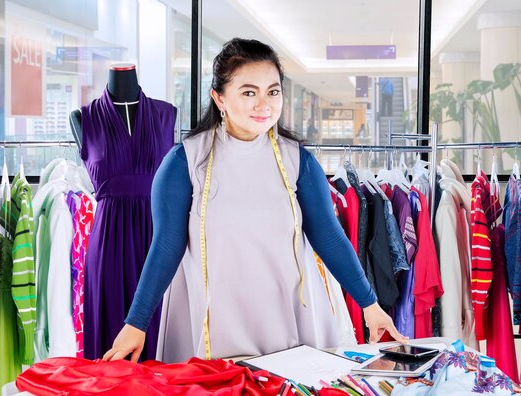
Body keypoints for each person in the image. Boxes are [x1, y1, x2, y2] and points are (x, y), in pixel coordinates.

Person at [104, 38, 408, 363]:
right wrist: (136, 323)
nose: (264, 104)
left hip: (289, 317)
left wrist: (370, 304)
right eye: (249, 92)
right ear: (219, 98)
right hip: (214, 320)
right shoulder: (185, 163)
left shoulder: (298, 162)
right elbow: (166, 246)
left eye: (272, 91)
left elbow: (328, 236)